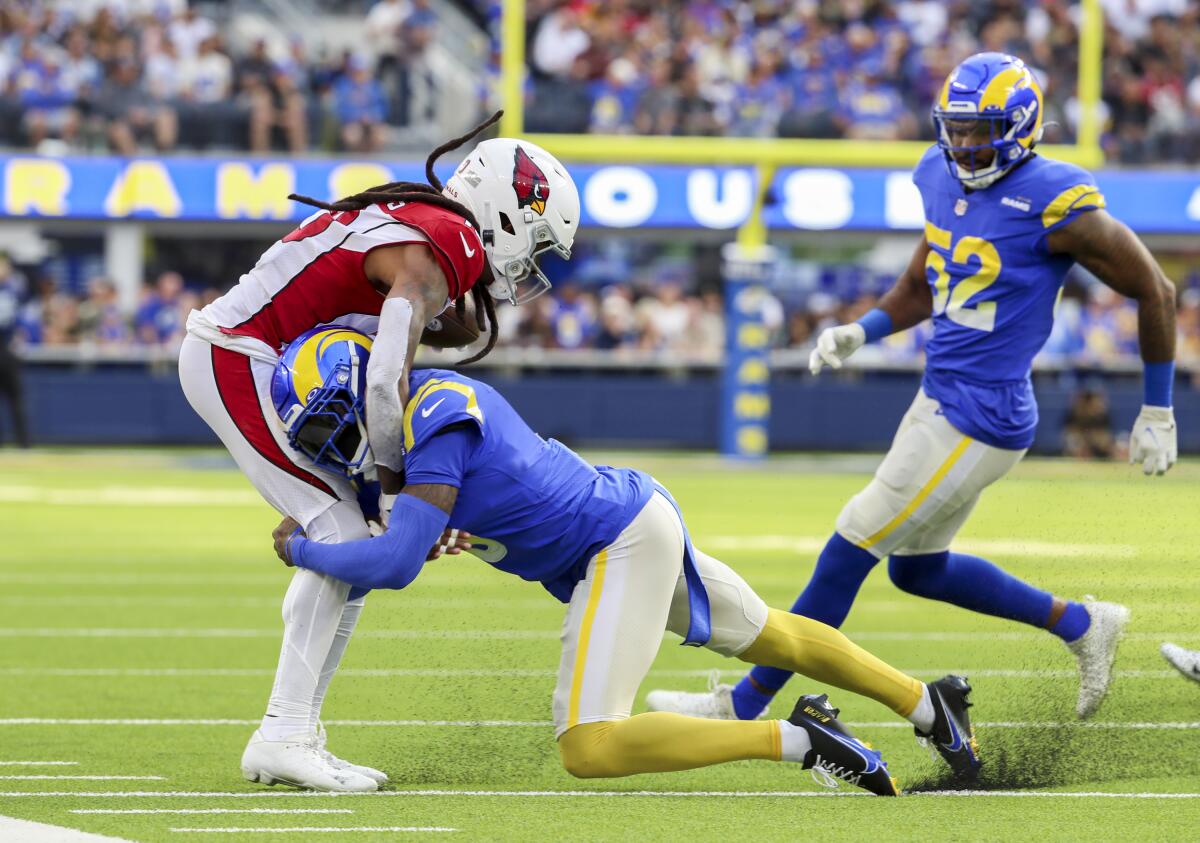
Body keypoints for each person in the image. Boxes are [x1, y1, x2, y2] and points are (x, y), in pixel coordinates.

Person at [647, 52, 1178, 724]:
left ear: (1019, 126)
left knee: (850, 544)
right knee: (916, 569)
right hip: (939, 399)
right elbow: (923, 281)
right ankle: (1082, 622)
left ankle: (743, 702)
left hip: (980, 414)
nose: (963, 143)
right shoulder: (937, 174)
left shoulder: (1055, 198)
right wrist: (861, 330)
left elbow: (1155, 288)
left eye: (979, 129)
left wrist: (1157, 406)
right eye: (955, 127)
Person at [268, 330, 983, 796]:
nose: (338, 447)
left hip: (615, 540)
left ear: (370, 383)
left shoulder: (437, 408)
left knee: (589, 742)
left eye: (338, 419)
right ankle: (927, 702)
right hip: (623, 524)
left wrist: (302, 546)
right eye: (319, 436)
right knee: (771, 633)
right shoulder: (396, 445)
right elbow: (419, 529)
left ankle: (802, 738)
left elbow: (395, 563)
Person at [177, 114, 581, 792]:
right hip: (235, 352)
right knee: (340, 530)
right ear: (504, 214)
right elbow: (384, 376)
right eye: (533, 242)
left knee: (349, 540)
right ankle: (282, 733)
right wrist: (394, 493)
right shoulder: (451, 236)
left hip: (250, 354)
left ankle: (296, 729)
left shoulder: (427, 222)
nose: (526, 266)